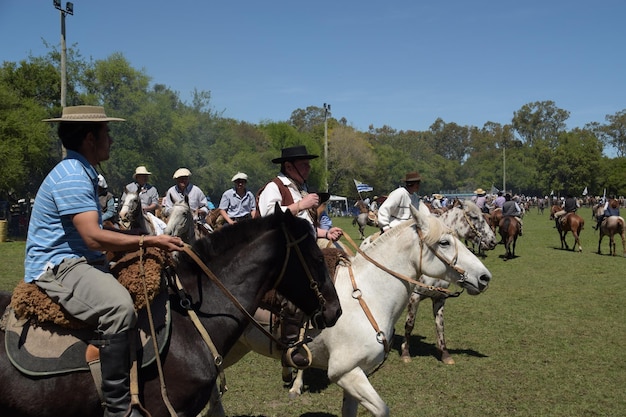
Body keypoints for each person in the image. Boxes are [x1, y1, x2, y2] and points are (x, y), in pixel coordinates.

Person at [26, 106, 184, 417]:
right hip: (58, 265)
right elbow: (92, 237)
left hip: (80, 260)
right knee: (119, 307)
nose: (111, 141)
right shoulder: (72, 174)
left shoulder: (83, 170)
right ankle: (118, 408)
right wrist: (149, 240)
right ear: (89, 138)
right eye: (106, 134)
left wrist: (136, 235)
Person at [257, 145, 343, 368]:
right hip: (281, 252)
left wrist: (325, 232)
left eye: (308, 163)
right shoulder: (274, 187)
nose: (308, 167)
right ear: (288, 166)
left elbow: (306, 225)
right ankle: (290, 346)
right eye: (304, 164)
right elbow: (268, 217)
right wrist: (300, 205)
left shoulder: (300, 187)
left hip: (303, 249)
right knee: (297, 292)